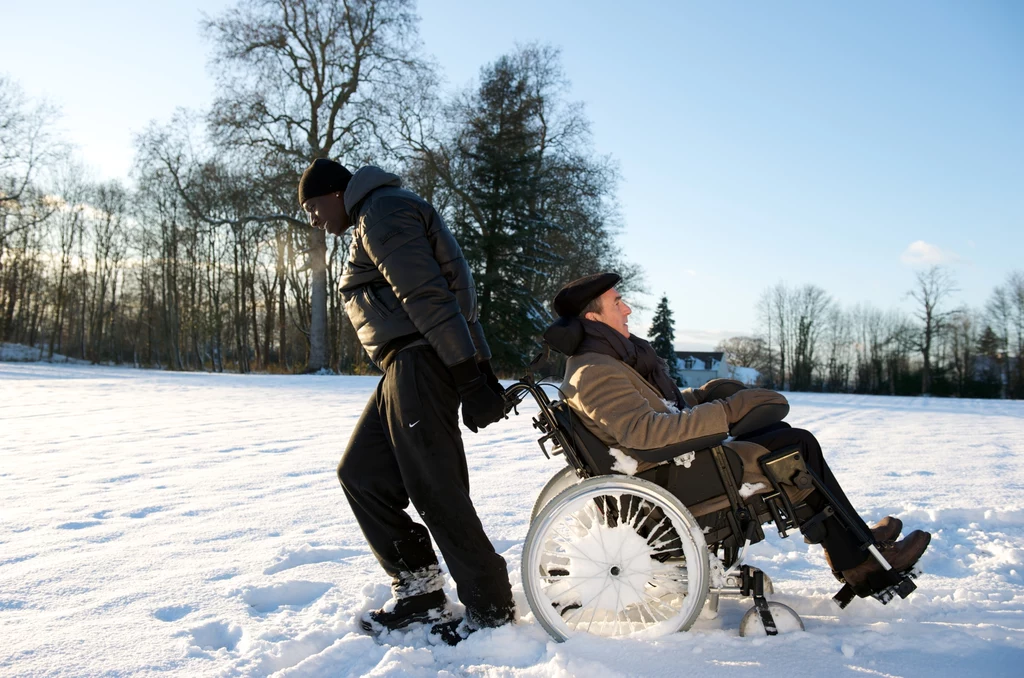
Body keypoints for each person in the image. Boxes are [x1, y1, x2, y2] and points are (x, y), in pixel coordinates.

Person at [545, 272, 931, 595]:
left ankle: (859, 546)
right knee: (793, 446)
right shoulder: (594, 371)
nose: (627, 308)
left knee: (784, 435)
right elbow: (644, 433)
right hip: (674, 480)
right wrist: (725, 413)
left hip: (674, 468)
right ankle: (863, 563)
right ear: (594, 319)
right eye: (617, 303)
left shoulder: (608, 361)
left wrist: (704, 395)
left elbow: (654, 409)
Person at [298, 158, 514, 644]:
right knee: (362, 473)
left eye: (312, 207)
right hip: (405, 363)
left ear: (335, 193)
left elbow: (430, 297)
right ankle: (419, 590)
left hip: (420, 359)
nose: (312, 219)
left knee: (435, 487)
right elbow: (451, 297)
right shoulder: (376, 215)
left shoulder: (382, 212)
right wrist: (476, 369)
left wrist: (471, 375)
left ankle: (490, 608)